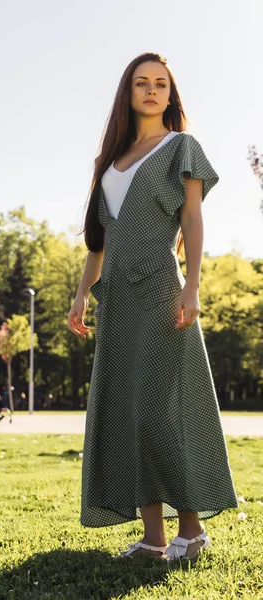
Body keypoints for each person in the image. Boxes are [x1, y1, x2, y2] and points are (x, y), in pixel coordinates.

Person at [67, 52, 238, 562]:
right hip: (115, 300)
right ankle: (152, 538)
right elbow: (99, 241)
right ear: (128, 93)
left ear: (171, 93)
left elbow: (192, 218)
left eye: (160, 83)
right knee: (126, 411)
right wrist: (81, 295)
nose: (151, 90)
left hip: (163, 290)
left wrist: (193, 287)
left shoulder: (180, 147)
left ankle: (192, 532)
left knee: (161, 411)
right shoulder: (112, 161)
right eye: (141, 83)